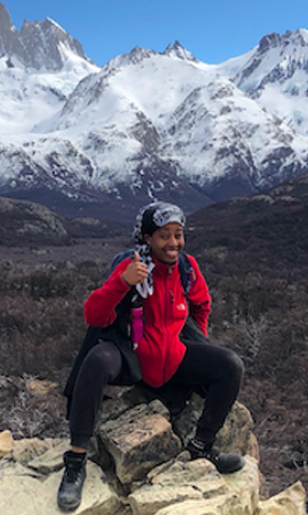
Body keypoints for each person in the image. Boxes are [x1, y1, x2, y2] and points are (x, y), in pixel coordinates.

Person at [57, 201, 245, 512]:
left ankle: (201, 446)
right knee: (97, 360)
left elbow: (201, 304)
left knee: (230, 365)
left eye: (178, 235)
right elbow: (94, 314)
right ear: (147, 238)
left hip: (174, 352)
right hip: (130, 353)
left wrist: (197, 338)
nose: (173, 243)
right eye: (164, 236)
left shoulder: (187, 268)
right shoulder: (130, 266)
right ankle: (76, 460)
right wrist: (123, 282)